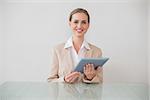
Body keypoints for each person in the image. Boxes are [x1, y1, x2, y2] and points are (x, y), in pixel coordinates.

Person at [47, 8, 103, 84]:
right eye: (76, 22)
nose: (79, 26)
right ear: (70, 24)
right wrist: (64, 80)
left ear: (88, 25)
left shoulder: (97, 52)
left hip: (87, 96)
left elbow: (100, 82)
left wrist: (91, 78)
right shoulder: (57, 49)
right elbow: (50, 81)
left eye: (83, 22)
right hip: (64, 95)